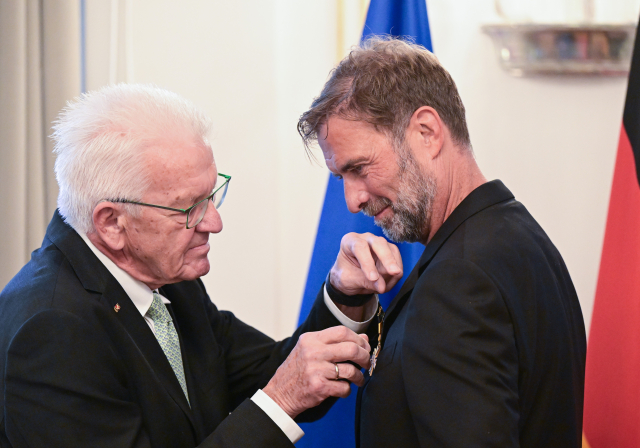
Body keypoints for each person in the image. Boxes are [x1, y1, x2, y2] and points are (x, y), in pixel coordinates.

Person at [0, 84, 403, 447]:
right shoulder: (52, 329)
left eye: (211, 196)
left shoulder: (166, 279)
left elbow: (281, 372)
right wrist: (280, 400)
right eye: (190, 208)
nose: (214, 222)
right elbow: (280, 391)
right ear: (111, 224)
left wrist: (345, 292)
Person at [298, 37, 587, 447]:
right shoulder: (519, 236)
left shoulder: (459, 281)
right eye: (341, 178)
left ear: (427, 132)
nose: (352, 199)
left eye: (359, 168)